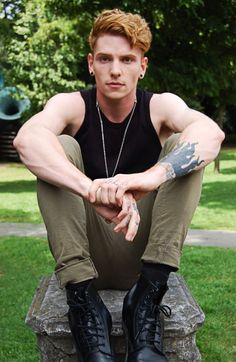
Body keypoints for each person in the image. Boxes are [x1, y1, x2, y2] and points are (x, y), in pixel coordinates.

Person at [14, 8, 224, 362]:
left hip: (143, 253)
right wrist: (89, 189)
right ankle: (82, 303)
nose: (115, 70)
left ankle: (146, 299)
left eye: (127, 59)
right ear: (90, 63)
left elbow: (211, 133)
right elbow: (26, 140)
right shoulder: (71, 106)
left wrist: (149, 178)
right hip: (84, 253)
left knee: (182, 150)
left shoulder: (160, 106)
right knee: (57, 147)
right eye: (105, 58)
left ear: (142, 66)